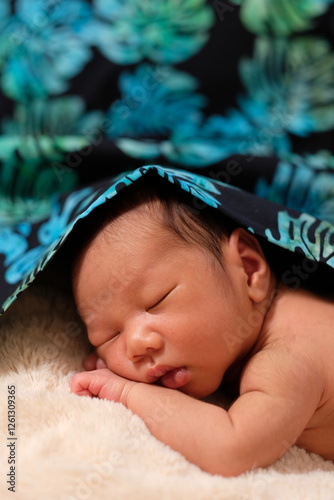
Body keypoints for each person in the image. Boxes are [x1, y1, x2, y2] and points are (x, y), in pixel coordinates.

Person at [69, 176, 334, 477]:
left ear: (248, 270)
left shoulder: (288, 357)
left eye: (157, 301)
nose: (136, 344)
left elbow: (231, 449)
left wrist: (127, 393)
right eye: (109, 335)